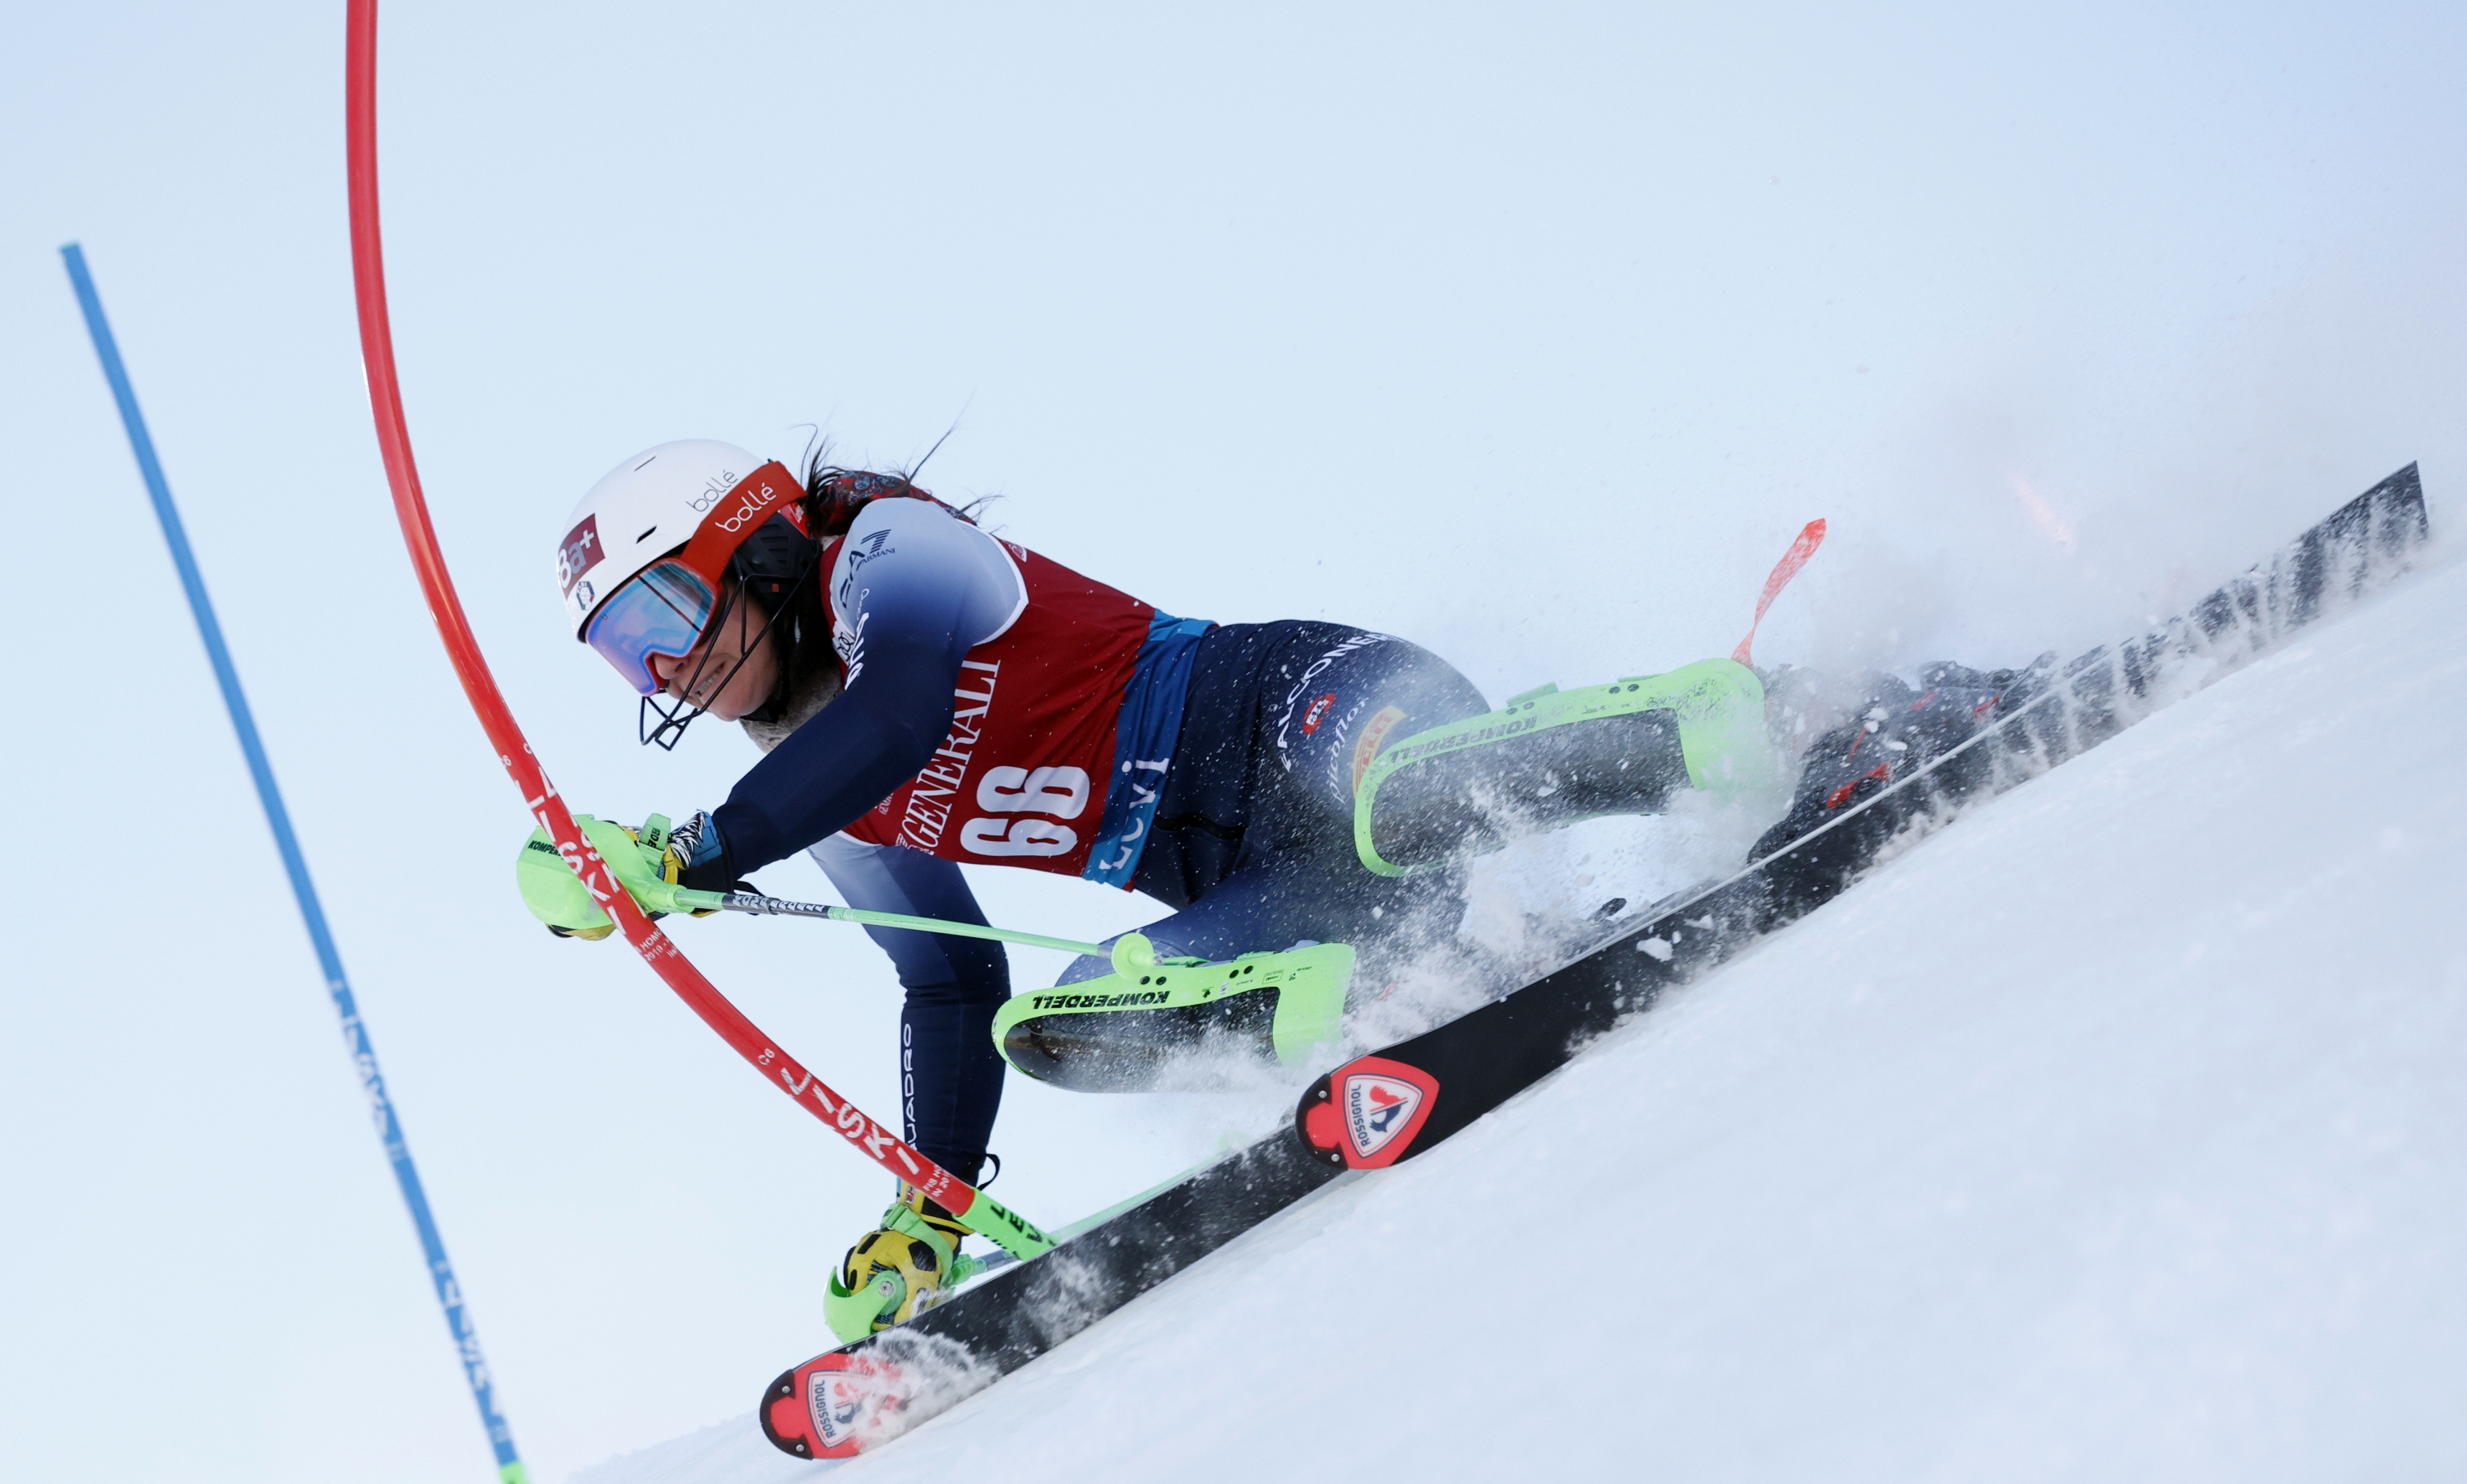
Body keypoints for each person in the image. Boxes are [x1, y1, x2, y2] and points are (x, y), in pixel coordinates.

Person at [523, 438, 2034, 1336]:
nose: (670, 672)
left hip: (1311, 710)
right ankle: (1410, 979)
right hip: (1268, 879)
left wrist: (700, 853)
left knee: (1406, 798)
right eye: (625, 658)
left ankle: (1784, 716)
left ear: (754, 544)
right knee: (1051, 1029)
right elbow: (946, 979)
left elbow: (906, 707)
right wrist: (929, 1205)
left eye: (665, 614)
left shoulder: (889, 559)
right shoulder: (822, 774)